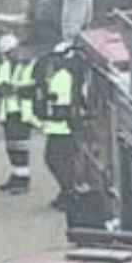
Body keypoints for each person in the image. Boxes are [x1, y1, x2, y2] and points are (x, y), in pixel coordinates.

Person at [36, 41, 81, 211]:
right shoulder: (65, 74)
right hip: (61, 126)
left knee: (57, 160)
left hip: (62, 127)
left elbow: (61, 104)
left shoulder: (64, 75)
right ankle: (66, 192)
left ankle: (69, 193)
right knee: (58, 160)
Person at [0, 34, 37, 194]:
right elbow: (0, 87)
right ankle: (15, 176)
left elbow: (30, 89)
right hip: (8, 111)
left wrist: (13, 89)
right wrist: (8, 89)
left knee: (21, 147)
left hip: (22, 112)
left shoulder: (29, 65)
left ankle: (23, 181)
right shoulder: (6, 66)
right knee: (11, 146)